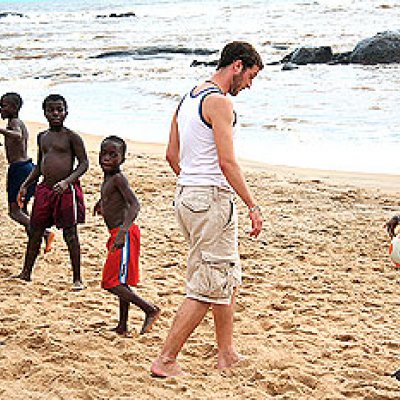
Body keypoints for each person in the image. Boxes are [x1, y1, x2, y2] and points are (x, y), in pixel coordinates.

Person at [151, 41, 264, 377]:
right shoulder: (220, 103)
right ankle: (166, 360)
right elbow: (228, 162)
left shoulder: (187, 98)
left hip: (186, 196)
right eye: (251, 77)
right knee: (207, 284)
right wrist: (252, 205)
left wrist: (193, 186)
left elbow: (172, 155)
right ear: (237, 66)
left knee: (224, 277)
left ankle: (226, 353)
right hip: (210, 198)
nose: (249, 85)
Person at [14, 94, 88, 290]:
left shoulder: (72, 137)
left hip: (65, 190)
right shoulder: (42, 137)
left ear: (66, 112)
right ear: (45, 113)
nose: (56, 113)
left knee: (70, 234)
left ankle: (77, 278)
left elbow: (84, 163)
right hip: (45, 189)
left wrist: (67, 182)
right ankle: (26, 272)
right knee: (35, 230)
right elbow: (39, 165)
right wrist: (26, 184)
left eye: (59, 109)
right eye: (51, 110)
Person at [94, 135, 160, 334]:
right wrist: (101, 203)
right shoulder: (108, 178)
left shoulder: (119, 178)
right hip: (117, 233)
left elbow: (134, 204)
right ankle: (122, 325)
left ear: (122, 159)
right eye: (103, 154)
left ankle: (149, 309)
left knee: (111, 282)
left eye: (113, 155)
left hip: (124, 234)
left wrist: (122, 232)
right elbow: (113, 198)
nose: (106, 159)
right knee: (121, 281)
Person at [0, 92, 54, 250]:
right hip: (27, 167)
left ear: (14, 108)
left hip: (19, 169)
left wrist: (1, 130)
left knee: (14, 212)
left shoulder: (14, 123)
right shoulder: (18, 122)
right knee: (22, 209)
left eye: (3, 106)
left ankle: (44, 233)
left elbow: (17, 136)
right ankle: (34, 239)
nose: (1, 109)